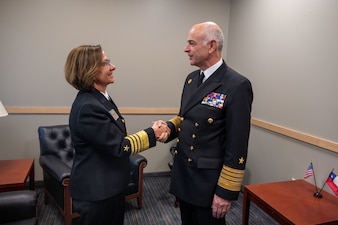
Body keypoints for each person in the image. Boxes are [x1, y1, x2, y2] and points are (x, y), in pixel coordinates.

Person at [64, 44, 168, 225]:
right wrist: (153, 133)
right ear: (90, 70)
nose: (113, 67)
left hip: (109, 186)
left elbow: (113, 136)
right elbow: (118, 147)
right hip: (97, 191)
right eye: (106, 63)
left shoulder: (100, 98)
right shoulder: (88, 106)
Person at [161, 22, 253, 225]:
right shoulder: (192, 79)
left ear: (211, 46)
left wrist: (226, 191)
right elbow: (186, 119)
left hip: (208, 183)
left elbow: (237, 145)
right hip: (185, 174)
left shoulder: (236, 85)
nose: (186, 49)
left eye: (191, 43)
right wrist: (169, 127)